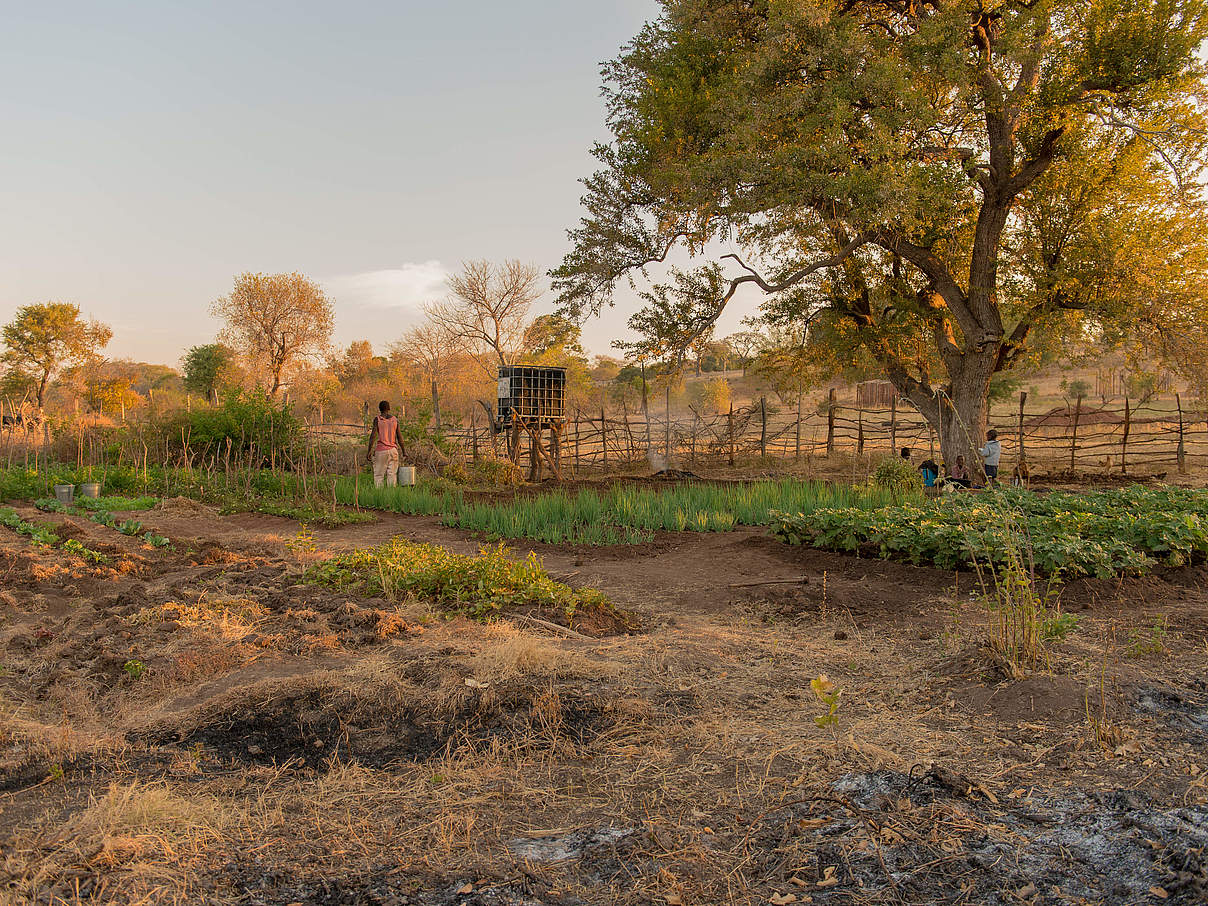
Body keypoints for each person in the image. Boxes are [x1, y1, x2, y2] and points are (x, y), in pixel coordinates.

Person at [366, 400, 405, 488]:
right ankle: (391, 496)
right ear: (389, 408)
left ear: (380, 409)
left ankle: (380, 496)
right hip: (393, 451)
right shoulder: (395, 420)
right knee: (392, 475)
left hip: (381, 451)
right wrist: (404, 451)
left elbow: (373, 436)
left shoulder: (378, 419)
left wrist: (369, 451)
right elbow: (400, 438)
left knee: (379, 475)